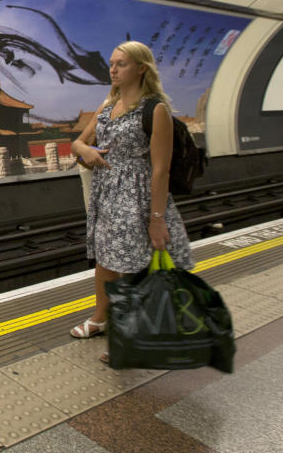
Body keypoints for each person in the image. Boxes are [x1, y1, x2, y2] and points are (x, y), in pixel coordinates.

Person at [69, 41, 194, 362]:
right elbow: (78, 142)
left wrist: (156, 217)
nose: (112, 69)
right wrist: (87, 151)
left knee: (132, 267)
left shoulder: (156, 110)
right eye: (111, 63)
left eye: (121, 63)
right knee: (106, 260)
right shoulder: (108, 106)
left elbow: (161, 168)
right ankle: (101, 318)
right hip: (107, 193)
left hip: (138, 196)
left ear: (142, 68)